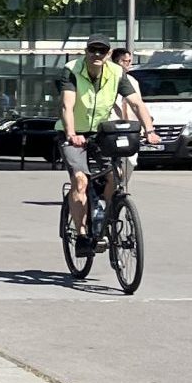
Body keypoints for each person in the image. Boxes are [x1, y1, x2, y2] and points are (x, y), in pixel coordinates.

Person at [56, 40, 159, 253]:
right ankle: (83, 234)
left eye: (101, 51)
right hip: (74, 133)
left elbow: (136, 103)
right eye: (92, 50)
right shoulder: (72, 69)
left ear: (108, 53)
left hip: (101, 132)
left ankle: (105, 221)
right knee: (80, 180)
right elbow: (67, 105)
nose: (96, 54)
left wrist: (149, 131)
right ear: (85, 52)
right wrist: (72, 134)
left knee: (115, 176)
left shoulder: (116, 72)